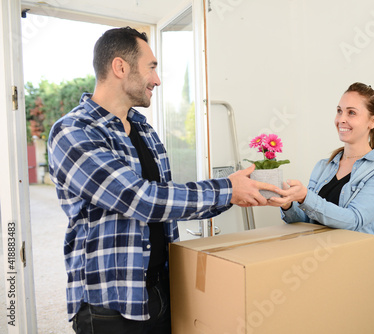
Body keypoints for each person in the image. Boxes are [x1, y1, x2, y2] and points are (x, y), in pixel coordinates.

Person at [47, 27, 274, 334]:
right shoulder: (73, 132)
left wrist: (233, 193)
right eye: (151, 68)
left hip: (162, 291)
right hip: (110, 305)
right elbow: (140, 199)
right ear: (120, 67)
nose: (157, 79)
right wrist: (227, 190)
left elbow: (166, 200)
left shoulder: (144, 131)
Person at [268, 82, 374, 324]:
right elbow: (306, 222)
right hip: (319, 278)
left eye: (351, 112)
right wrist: (288, 204)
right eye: (339, 111)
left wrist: (306, 197)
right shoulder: (324, 165)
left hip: (359, 283)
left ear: (373, 121)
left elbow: (353, 220)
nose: (341, 119)